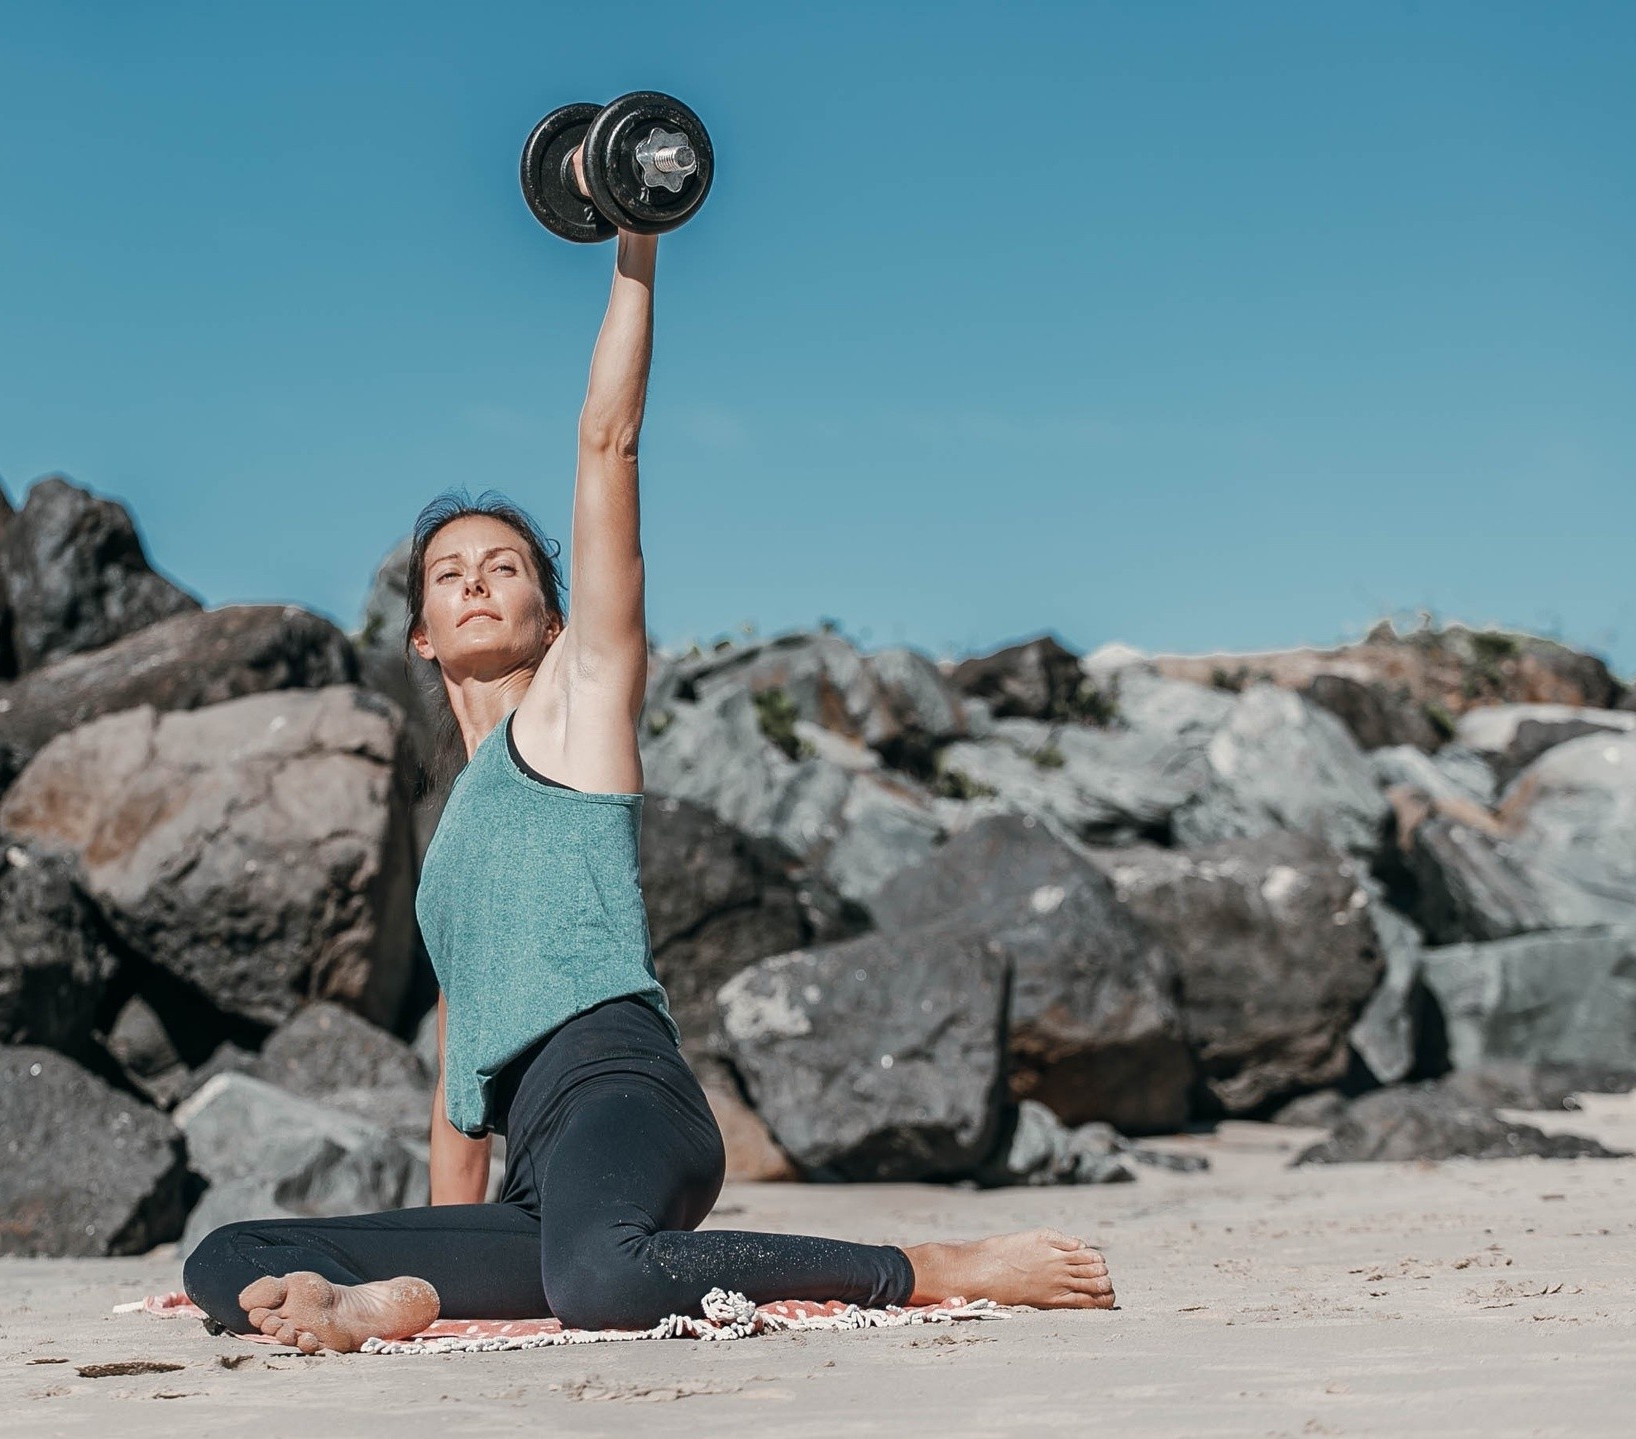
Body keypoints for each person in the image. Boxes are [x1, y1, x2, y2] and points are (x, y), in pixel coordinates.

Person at [182, 228, 1116, 1354]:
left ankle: (926, 1266)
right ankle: (384, 1301)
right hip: (535, 1169)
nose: (475, 581)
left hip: (622, 1091)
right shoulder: (444, 851)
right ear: (421, 634)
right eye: (448, 573)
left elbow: (607, 440)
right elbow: (456, 1075)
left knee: (603, 1276)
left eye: (504, 567)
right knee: (228, 1252)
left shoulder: (575, 713)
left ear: (554, 621)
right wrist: (432, 1256)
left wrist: (637, 241)